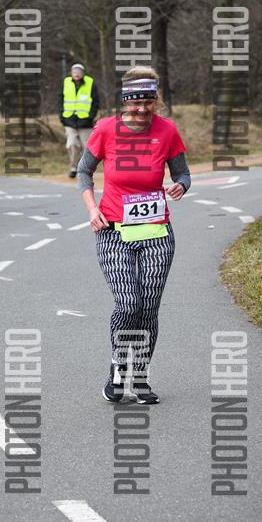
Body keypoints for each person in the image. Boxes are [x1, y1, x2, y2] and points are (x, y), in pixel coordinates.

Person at [77, 66, 191, 404]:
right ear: (125, 101)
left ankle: (139, 375)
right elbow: (84, 171)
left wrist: (181, 185)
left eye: (148, 102)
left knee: (149, 307)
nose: (142, 109)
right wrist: (92, 209)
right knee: (129, 303)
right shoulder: (105, 129)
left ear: (156, 100)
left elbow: (183, 172)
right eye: (135, 102)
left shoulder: (167, 130)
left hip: (157, 232)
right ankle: (118, 367)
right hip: (113, 231)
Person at [59, 63, 99, 178]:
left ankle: (85, 168)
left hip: (85, 121)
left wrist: (91, 116)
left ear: (83, 73)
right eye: (74, 71)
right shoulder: (66, 82)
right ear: (71, 73)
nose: (76, 73)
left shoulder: (90, 83)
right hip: (69, 120)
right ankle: (73, 168)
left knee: (87, 147)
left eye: (79, 71)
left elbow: (96, 102)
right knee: (72, 144)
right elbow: (60, 100)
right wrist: (62, 116)